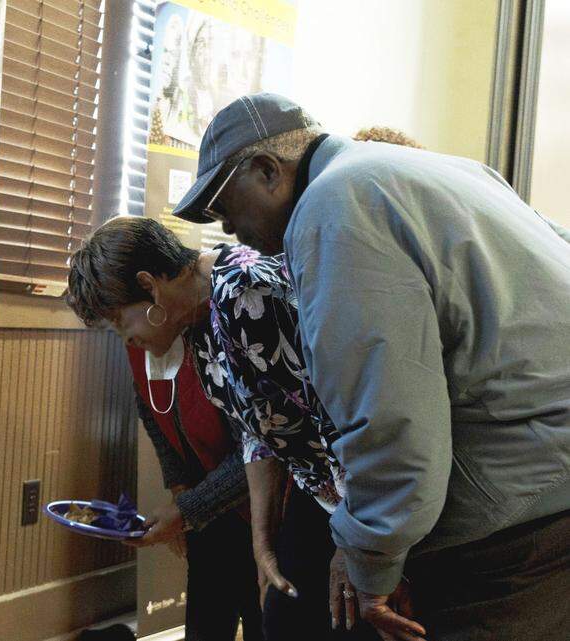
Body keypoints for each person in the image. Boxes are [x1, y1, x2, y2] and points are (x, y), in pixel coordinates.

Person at [172, 92, 570, 641]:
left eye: (226, 210)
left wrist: (367, 556)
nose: (230, 233)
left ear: (267, 171)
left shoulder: (335, 207)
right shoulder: (445, 170)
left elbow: (391, 419)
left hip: (517, 514)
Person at [69, 217, 378, 640]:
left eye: (123, 323)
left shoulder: (244, 289)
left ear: (149, 286)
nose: (127, 339)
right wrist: (263, 544)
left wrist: (355, 540)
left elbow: (340, 419)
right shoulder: (196, 318)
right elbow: (259, 432)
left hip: (363, 499)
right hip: (321, 501)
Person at [124, 342, 263, 640]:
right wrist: (179, 489)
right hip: (202, 498)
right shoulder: (137, 343)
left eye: (121, 320)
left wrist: (185, 510)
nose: (127, 336)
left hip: (264, 500)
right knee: (205, 620)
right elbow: (151, 410)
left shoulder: (213, 333)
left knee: (262, 617)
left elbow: (256, 451)